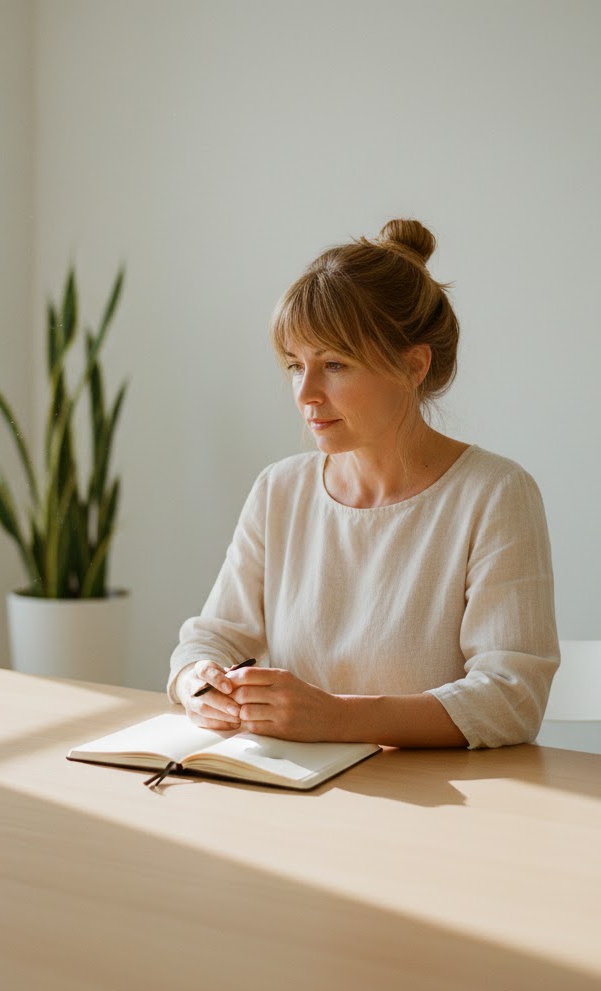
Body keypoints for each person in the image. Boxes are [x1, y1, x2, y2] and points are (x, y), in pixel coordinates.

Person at [167, 219, 559, 749]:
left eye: (334, 364)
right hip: (295, 785)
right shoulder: (279, 489)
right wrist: (197, 683)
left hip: (431, 795)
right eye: (295, 365)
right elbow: (211, 636)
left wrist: (338, 718)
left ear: (413, 365)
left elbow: (512, 699)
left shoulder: (494, 494)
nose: (305, 393)